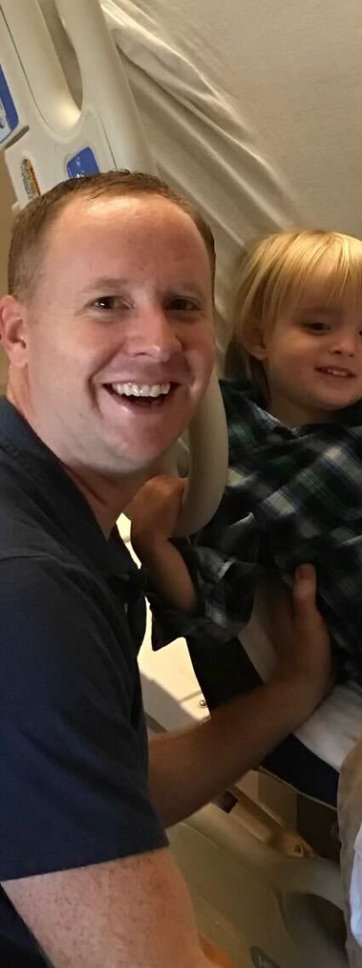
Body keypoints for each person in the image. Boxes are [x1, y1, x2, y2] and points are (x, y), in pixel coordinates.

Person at [0, 173, 333, 967]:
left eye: (183, 304)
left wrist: (290, 691)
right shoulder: (26, 594)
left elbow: (104, 788)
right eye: (107, 303)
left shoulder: (61, 523)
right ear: (16, 332)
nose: (157, 342)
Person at [131, 229, 362, 700]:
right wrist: (152, 542)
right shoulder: (232, 455)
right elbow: (211, 609)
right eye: (319, 327)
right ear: (260, 338)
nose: (347, 346)